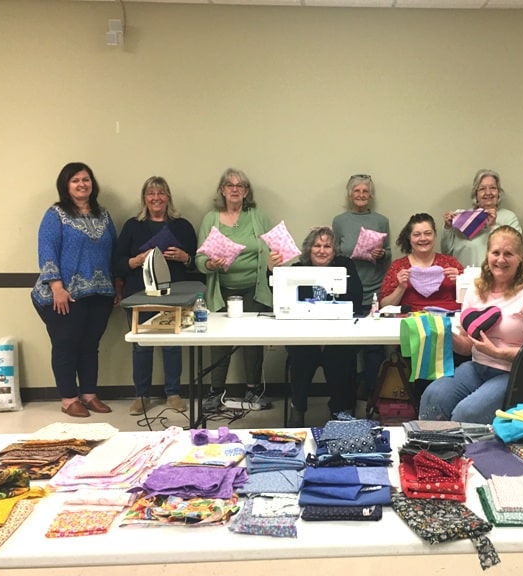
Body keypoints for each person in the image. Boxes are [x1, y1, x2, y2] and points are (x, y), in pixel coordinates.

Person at [419, 226, 523, 424]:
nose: (501, 259)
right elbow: (467, 345)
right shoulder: (476, 287)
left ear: (520, 259)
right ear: (487, 255)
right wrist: (445, 334)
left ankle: (471, 455)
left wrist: (498, 353)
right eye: (496, 253)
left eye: (508, 253)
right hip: (478, 367)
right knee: (433, 395)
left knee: (468, 413)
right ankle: (432, 453)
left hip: (516, 374)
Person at [31, 162, 119, 418]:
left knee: (91, 345)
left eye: (86, 179)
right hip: (64, 294)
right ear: (66, 186)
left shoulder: (103, 215)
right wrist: (56, 287)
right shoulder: (55, 214)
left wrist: (117, 283)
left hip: (100, 293)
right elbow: (46, 250)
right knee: (66, 345)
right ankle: (69, 399)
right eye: (75, 180)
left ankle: (89, 395)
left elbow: (113, 249)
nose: (82, 184)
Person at [114, 176, 197, 415]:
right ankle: (142, 396)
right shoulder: (132, 226)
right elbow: (118, 263)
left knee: (172, 345)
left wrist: (184, 257)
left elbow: (196, 261)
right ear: (144, 199)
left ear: (168, 197)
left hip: (174, 295)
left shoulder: (182, 226)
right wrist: (137, 260)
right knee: (141, 346)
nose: (156, 198)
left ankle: (173, 393)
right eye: (151, 194)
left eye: (161, 193)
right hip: (138, 295)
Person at [268, 226, 364, 427]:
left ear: (334, 250)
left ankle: (339, 408)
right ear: (308, 249)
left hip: (337, 333)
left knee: (339, 354)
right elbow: (278, 295)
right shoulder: (297, 270)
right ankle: (298, 407)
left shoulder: (345, 266)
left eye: (327, 246)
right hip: (305, 333)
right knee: (302, 354)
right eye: (317, 245)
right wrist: (271, 271)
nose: (322, 250)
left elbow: (356, 298)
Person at [195, 168, 273, 411]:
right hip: (222, 290)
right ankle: (216, 392)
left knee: (253, 343)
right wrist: (209, 263)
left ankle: (253, 391)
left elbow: (273, 249)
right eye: (230, 184)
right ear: (222, 190)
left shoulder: (258, 216)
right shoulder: (211, 218)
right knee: (219, 343)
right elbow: (199, 259)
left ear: (247, 191)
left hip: (255, 288)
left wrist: (275, 260)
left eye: (240, 185)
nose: (235, 189)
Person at [332, 174, 391, 398]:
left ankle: (372, 395)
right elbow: (334, 254)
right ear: (349, 194)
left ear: (371, 195)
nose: (361, 195)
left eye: (365, 191)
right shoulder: (339, 221)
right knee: (345, 348)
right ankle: (346, 394)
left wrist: (381, 253)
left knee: (374, 349)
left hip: (374, 291)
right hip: (346, 293)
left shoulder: (381, 220)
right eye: (356, 191)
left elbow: (388, 254)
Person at [379, 213, 464, 312]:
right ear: (409, 238)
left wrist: (460, 283)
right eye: (417, 234)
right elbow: (384, 305)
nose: (423, 238)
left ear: (435, 235)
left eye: (428, 233)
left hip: (448, 320)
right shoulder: (398, 266)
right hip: (410, 322)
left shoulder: (451, 263)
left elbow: (474, 299)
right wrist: (401, 287)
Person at [441, 169, 522, 267]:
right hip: (462, 277)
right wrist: (448, 228)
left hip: (494, 278)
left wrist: (493, 226)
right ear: (476, 193)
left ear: (498, 192)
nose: (488, 192)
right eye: (482, 189)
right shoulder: (463, 218)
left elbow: (516, 251)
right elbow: (446, 252)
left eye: (493, 188)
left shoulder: (509, 217)